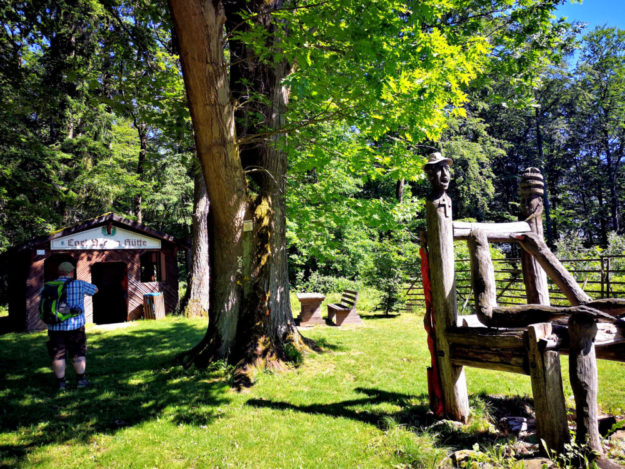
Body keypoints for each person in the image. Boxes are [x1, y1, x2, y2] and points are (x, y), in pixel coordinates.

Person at [46, 261, 98, 390]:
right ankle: (81, 381)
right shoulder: (79, 284)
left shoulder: (48, 286)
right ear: (72, 272)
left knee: (58, 355)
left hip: (55, 327)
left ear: (59, 272)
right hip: (75, 326)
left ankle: (61, 383)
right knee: (78, 353)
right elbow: (95, 289)